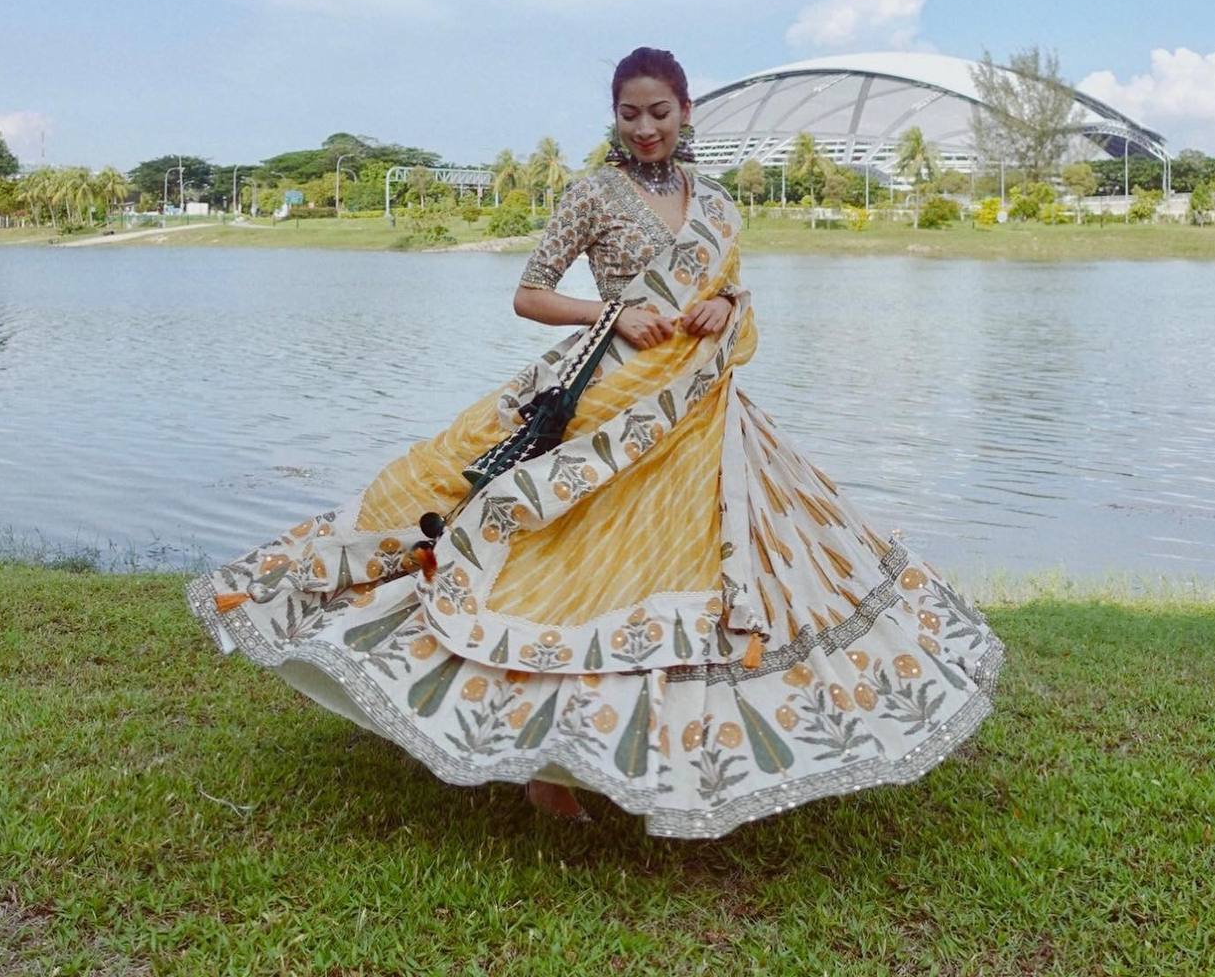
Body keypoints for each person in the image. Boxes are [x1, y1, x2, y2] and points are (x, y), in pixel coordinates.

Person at [186, 47, 1004, 838]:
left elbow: (729, 291)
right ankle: (544, 761)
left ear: (685, 114)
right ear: (613, 116)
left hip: (699, 415)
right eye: (629, 113)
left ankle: (650, 755)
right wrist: (611, 314)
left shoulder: (717, 204)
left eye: (659, 112)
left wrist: (728, 306)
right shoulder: (593, 194)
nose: (645, 127)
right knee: (567, 569)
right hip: (604, 399)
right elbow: (530, 294)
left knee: (675, 576)